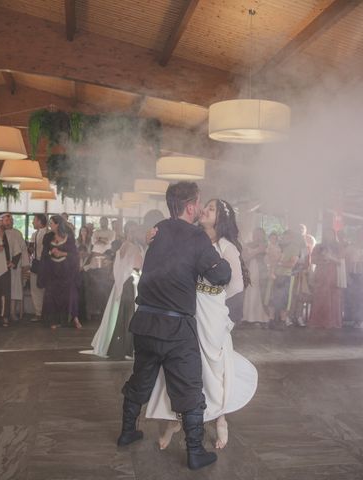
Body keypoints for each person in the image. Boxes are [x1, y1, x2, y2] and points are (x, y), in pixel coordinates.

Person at [117, 181, 231, 471]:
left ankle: (127, 432)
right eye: (199, 203)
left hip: (144, 323)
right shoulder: (197, 237)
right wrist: (223, 259)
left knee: (140, 382)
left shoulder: (158, 230)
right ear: (191, 206)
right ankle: (195, 452)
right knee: (190, 390)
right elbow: (220, 277)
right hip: (176, 328)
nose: (201, 209)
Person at [146, 198, 257, 453]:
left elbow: (237, 284)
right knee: (181, 362)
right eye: (204, 206)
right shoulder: (191, 238)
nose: (204, 210)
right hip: (189, 305)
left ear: (221, 218)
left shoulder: (227, 247)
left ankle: (220, 417)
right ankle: (177, 420)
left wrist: (214, 296)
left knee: (213, 366)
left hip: (213, 311)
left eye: (211, 209)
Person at [91, 221, 143, 359]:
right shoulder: (132, 247)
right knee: (128, 315)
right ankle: (126, 348)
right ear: (129, 232)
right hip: (130, 284)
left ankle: (121, 346)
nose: (136, 234)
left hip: (123, 283)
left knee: (120, 314)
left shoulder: (124, 246)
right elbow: (136, 266)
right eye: (134, 231)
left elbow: (118, 267)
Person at [39, 215, 80, 329]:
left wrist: (62, 253)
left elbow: (75, 255)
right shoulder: (48, 237)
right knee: (51, 294)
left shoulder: (69, 237)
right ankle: (53, 320)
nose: (50, 225)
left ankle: (67, 320)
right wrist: (51, 252)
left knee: (66, 295)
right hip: (52, 270)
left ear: (58, 224)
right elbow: (43, 254)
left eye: (51, 223)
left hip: (66, 270)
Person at [308, 229, 344, 328]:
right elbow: (313, 260)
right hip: (321, 273)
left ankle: (333, 322)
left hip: (333, 273)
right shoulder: (318, 246)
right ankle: (318, 321)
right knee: (320, 296)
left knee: (333, 296)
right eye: (327, 234)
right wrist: (322, 260)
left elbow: (341, 261)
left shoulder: (338, 247)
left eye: (331, 234)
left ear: (334, 236)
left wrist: (331, 257)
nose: (329, 236)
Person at [242, 227, 269, 325]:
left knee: (257, 291)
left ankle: (257, 316)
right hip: (249, 269)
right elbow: (244, 258)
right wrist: (255, 252)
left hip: (260, 271)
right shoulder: (247, 245)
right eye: (255, 234)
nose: (256, 236)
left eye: (259, 234)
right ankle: (246, 316)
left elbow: (267, 258)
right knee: (248, 291)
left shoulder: (265, 245)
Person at [5, 221, 29, 323]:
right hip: (2, 264)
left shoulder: (17, 233)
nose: (9, 221)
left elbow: (23, 249)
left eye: (10, 219)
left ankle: (12, 312)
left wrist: (25, 264)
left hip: (15, 265)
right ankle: (3, 313)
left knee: (14, 289)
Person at [29, 214, 48, 322]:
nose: (32, 222)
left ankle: (44, 312)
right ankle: (38, 312)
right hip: (36, 263)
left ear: (40, 221)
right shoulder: (34, 234)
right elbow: (31, 249)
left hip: (45, 263)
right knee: (35, 288)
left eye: (34, 220)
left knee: (45, 288)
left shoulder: (49, 233)